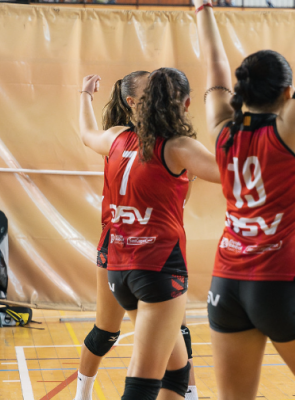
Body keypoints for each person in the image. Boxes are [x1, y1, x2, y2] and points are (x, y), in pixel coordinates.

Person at [193, 0, 295, 397]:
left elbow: (213, 65)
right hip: (281, 283)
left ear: (239, 90)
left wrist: (203, 8)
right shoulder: (290, 129)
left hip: (226, 285)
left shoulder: (221, 130)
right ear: (288, 93)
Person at [79, 68, 220, 400]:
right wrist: (225, 112)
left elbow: (86, 132)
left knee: (176, 366)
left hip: (121, 267)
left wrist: (83, 95)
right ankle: (82, 393)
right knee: (141, 377)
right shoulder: (178, 146)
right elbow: (236, 173)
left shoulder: (115, 137)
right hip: (154, 266)